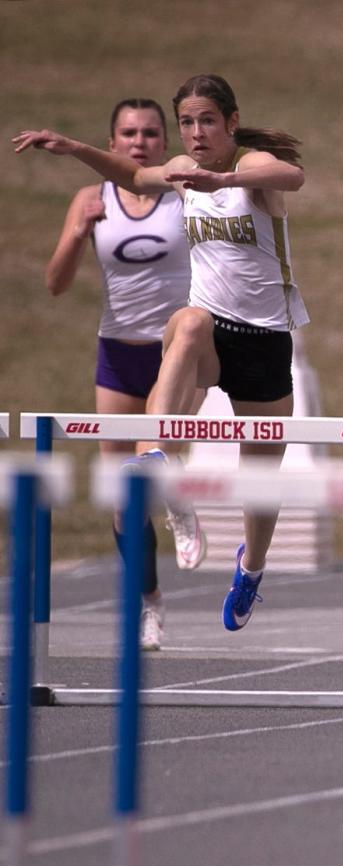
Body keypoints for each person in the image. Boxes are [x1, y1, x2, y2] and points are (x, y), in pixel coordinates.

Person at [16, 73, 310, 633]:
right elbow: (131, 174)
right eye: (187, 123)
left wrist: (219, 176)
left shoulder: (248, 169)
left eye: (206, 121)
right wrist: (74, 147)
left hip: (265, 341)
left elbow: (293, 175)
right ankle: (160, 459)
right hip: (211, 335)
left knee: (261, 483)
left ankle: (252, 568)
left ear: (229, 121)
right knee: (188, 322)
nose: (195, 133)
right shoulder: (178, 172)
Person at [43, 97, 205, 651]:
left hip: (173, 355)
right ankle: (150, 604)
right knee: (121, 499)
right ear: (112, 143)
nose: (140, 142)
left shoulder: (184, 194)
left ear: (165, 143)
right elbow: (56, 284)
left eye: (151, 133)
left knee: (148, 466)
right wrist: (75, 233)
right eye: (129, 133)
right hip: (115, 356)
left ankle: (178, 496)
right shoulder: (91, 198)